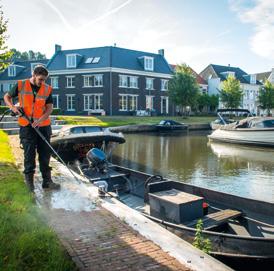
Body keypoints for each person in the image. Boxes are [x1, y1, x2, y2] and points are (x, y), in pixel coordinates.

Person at [4, 65, 60, 191]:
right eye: (40, 79)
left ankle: (47, 182)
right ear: (34, 75)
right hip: (26, 126)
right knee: (29, 154)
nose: (42, 82)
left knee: (45, 154)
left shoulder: (47, 89)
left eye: (44, 80)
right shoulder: (21, 85)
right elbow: (7, 97)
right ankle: (30, 184)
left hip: (43, 126)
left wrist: (40, 119)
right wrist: (13, 107)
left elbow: (49, 108)